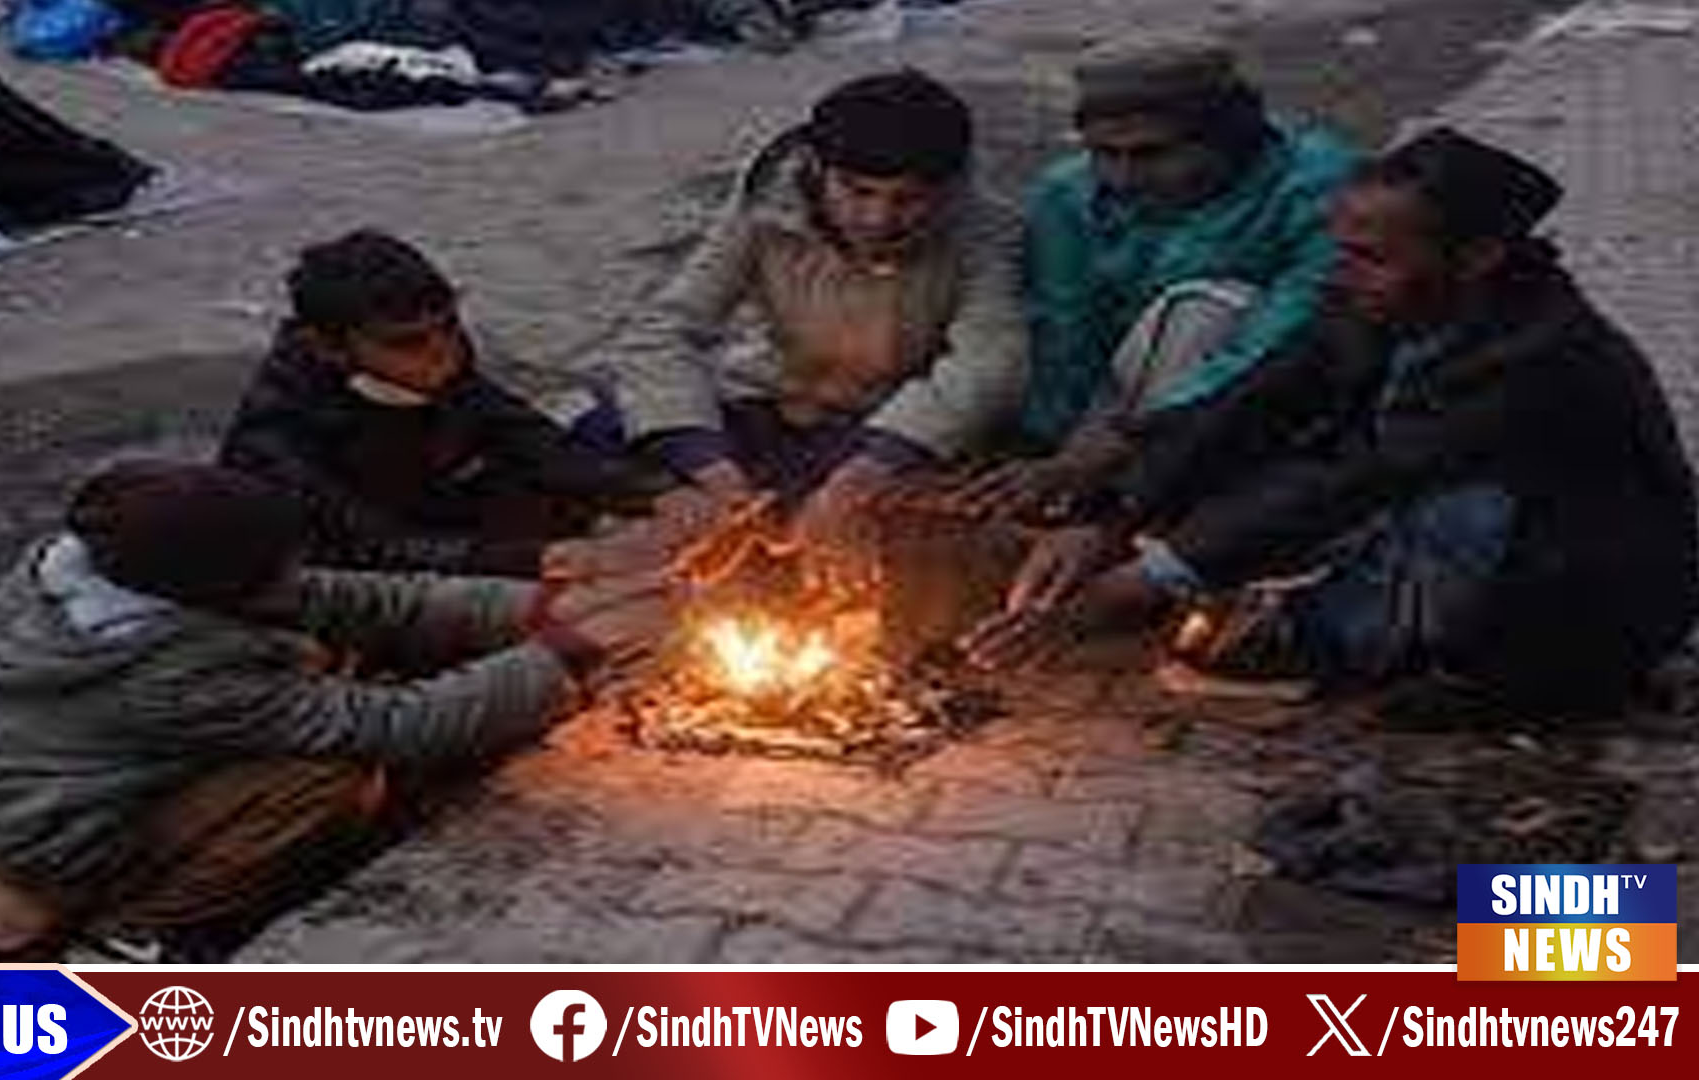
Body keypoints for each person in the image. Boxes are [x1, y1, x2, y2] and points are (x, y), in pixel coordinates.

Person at [962, 128, 1699, 715]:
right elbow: (1254, 401)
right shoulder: (1380, 299)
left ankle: (1487, 675)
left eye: (1371, 257)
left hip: (1581, 595)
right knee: (1231, 515)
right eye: (1341, 250)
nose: (1343, 273)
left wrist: (1138, 584)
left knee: (1382, 538)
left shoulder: (1540, 358)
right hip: (1424, 515)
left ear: (1477, 257)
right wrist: (1114, 518)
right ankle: (1344, 615)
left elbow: (1354, 479)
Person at [0, 461, 670, 955]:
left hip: (74, 778)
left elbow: (361, 598)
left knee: (342, 657)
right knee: (326, 777)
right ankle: (141, 929)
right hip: (61, 833)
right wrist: (561, 652)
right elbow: (397, 727)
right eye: (271, 573)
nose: (290, 581)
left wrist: (534, 605)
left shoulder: (130, 572)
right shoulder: (170, 670)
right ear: (215, 583)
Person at [585, 68, 1025, 571]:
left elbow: (987, 365)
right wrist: (713, 470)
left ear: (945, 189)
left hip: (881, 430)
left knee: (922, 525)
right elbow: (666, 329)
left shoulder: (985, 229)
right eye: (858, 192)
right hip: (770, 407)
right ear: (818, 169)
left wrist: (861, 477)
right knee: (604, 435)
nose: (879, 218)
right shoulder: (768, 203)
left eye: (908, 199)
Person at [939, 34, 1356, 521]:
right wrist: (1044, 451)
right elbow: (1066, 337)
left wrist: (1122, 443)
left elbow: (1280, 338)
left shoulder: (1316, 185)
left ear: (1229, 137)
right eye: (1104, 154)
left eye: (1150, 154)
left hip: (1267, 402)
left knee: (1200, 310)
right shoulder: (1068, 193)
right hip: (1120, 402)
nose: (1122, 177)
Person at [219, 229, 664, 577]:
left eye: (449, 326)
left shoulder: (437, 361)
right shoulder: (275, 442)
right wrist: (548, 558)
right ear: (328, 347)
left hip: (449, 517)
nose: (443, 352)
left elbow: (523, 434)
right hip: (362, 582)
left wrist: (656, 495)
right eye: (407, 342)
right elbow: (375, 549)